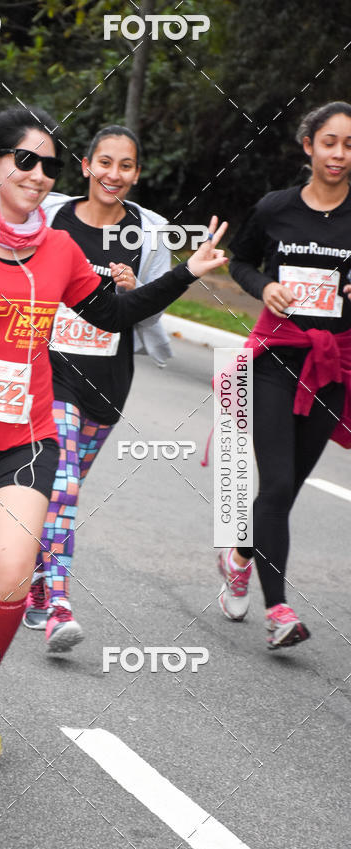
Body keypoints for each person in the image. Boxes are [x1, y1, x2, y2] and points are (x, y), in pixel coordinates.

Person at [0, 105, 228, 756]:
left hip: (26, 439)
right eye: (26, 160)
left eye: (49, 166)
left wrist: (185, 273)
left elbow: (114, 314)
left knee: (11, 578)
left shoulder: (58, 250)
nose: (39, 175)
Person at [21, 124, 175, 651]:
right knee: (62, 484)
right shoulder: (52, 217)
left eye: (125, 165)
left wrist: (136, 291)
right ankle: (60, 604)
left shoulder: (148, 233)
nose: (114, 174)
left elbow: (153, 308)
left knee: (62, 492)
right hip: (52, 370)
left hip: (109, 378)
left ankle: (37, 581)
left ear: (136, 173)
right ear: (86, 166)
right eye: (104, 162)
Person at [217, 101, 351, 649]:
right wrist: (264, 286)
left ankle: (239, 555)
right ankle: (279, 611)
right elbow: (239, 260)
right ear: (308, 146)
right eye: (330, 142)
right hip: (277, 359)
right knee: (274, 483)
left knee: (287, 488)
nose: (339, 154)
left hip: (333, 366)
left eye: (349, 145)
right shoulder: (275, 208)